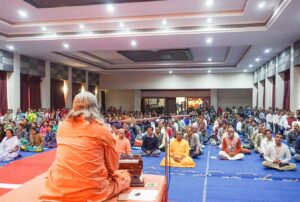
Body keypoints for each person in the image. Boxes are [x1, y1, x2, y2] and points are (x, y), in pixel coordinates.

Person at [39, 92, 130, 201]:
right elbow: (113, 166)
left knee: (52, 170)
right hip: (92, 191)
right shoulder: (102, 129)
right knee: (124, 177)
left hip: (59, 187)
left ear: (74, 106)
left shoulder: (63, 126)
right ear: (95, 107)